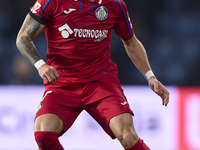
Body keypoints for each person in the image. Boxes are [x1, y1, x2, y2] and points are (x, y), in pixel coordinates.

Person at [16, 0, 170, 149]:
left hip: (100, 82)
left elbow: (131, 42)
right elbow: (23, 38)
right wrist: (40, 65)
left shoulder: (114, 4)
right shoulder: (51, 2)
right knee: (44, 135)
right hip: (62, 83)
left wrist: (150, 76)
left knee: (128, 135)